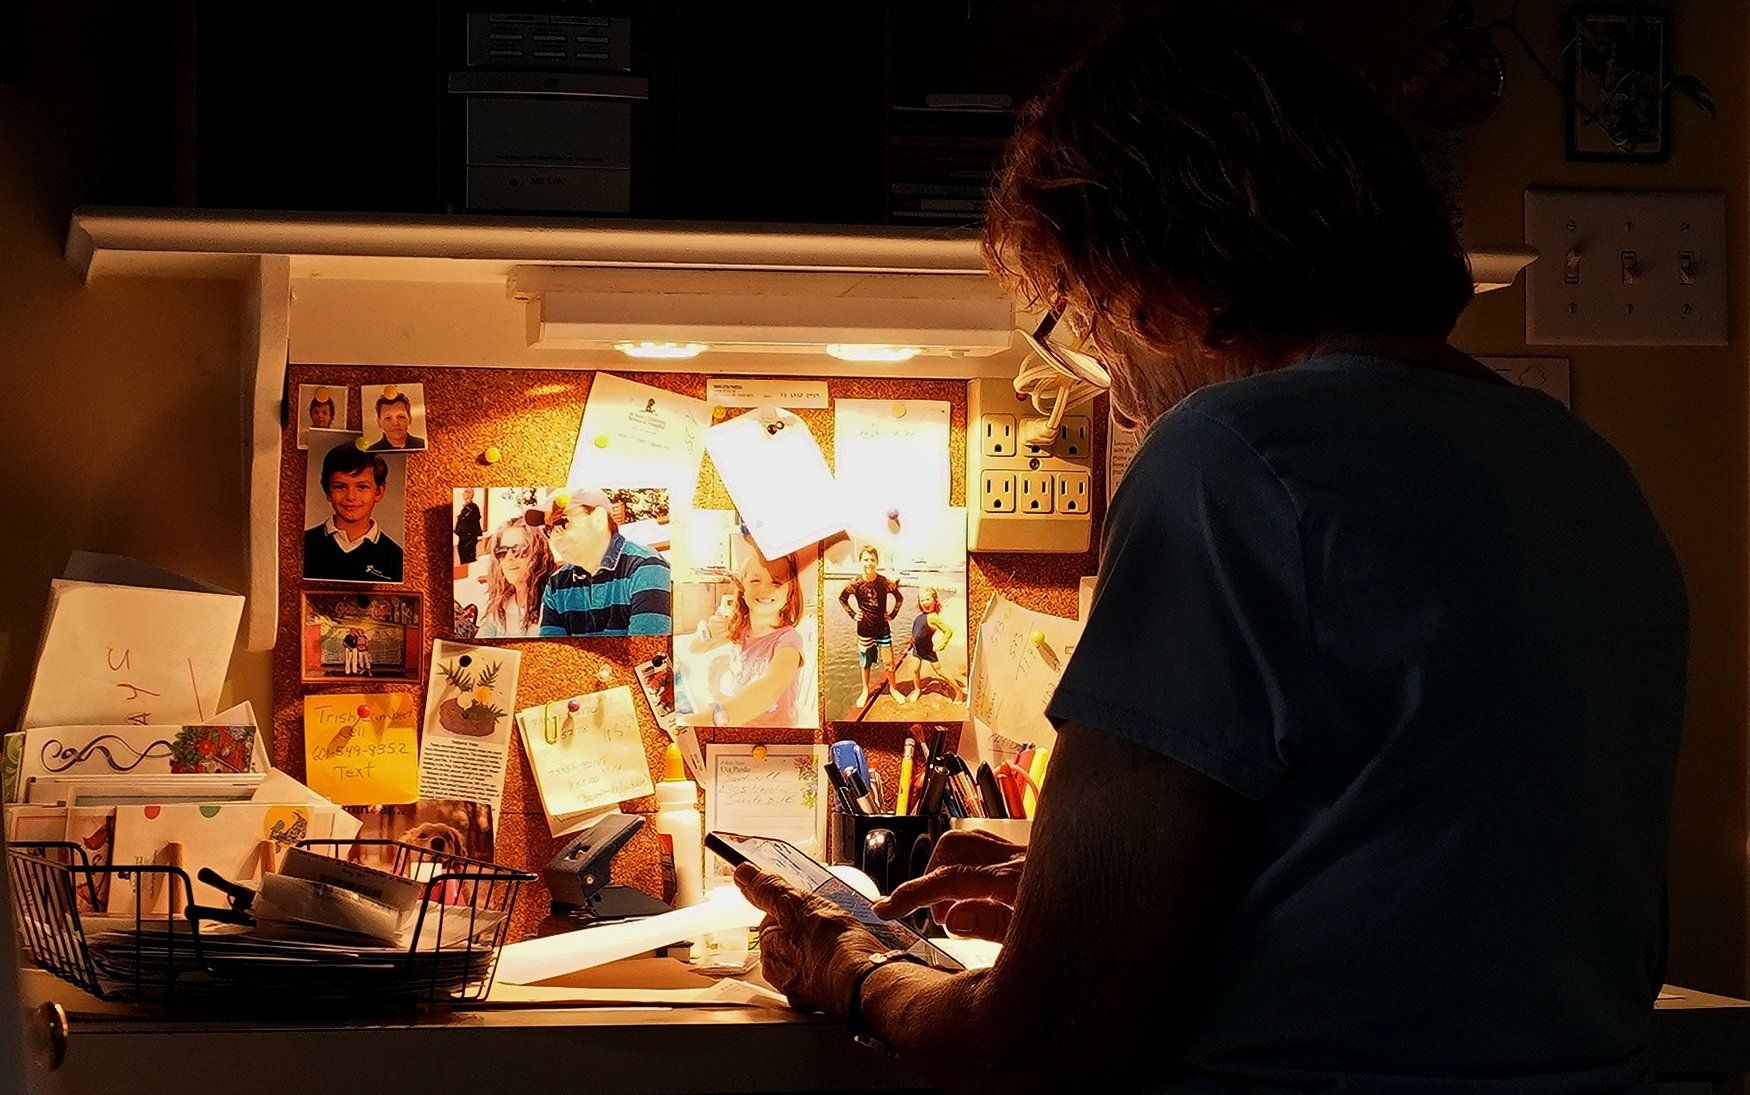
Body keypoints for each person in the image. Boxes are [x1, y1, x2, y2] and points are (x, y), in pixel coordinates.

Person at [735, 7, 1687, 1093]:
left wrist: (854, 968)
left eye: (1079, 317)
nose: (1119, 390)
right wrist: (1123, 896)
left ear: (1140, 273)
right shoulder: (1581, 469)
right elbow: (1472, 901)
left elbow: (1042, 1040)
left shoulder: (1233, 453)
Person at [680, 546, 808, 728]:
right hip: (739, 721)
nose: (765, 589)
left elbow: (771, 686)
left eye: (777, 582)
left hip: (774, 731)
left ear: (790, 593)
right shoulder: (740, 627)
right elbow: (695, 649)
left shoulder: (789, 640)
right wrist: (709, 633)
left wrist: (712, 718)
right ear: (742, 589)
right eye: (755, 580)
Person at [539, 488, 671, 637]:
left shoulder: (646, 567)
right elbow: (551, 650)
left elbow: (646, 650)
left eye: (562, 523)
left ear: (599, 519)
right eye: (548, 529)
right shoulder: (557, 584)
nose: (554, 537)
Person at [304, 443, 404, 583]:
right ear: (327, 492)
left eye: (362, 487)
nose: (350, 496)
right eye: (340, 487)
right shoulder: (304, 544)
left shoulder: (396, 558)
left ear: (378, 492)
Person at [837, 546, 904, 708]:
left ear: (877, 562)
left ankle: (893, 688)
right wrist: (853, 614)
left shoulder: (884, 582)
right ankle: (865, 690)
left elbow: (899, 598)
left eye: (872, 560)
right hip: (864, 630)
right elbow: (842, 598)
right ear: (860, 561)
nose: (869, 563)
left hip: (883, 629)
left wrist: (892, 614)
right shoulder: (855, 583)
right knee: (865, 662)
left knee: (889, 662)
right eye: (866, 559)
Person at [478, 513, 556, 639]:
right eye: (502, 551)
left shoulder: (553, 606)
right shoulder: (500, 606)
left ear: (538, 555)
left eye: (519, 550)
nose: (509, 557)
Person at [904, 589, 965, 705]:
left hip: (927, 649)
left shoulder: (933, 617)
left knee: (939, 670)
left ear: (934, 601)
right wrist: (911, 640)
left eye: (928, 599)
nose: (925, 602)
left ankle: (959, 691)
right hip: (917, 647)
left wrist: (941, 644)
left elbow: (948, 631)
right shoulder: (921, 616)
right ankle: (917, 690)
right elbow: (918, 630)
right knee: (915, 669)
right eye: (922, 600)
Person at [454, 488, 484, 566]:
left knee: (468, 557)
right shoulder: (466, 507)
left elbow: (468, 520)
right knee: (463, 556)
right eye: (464, 492)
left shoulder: (472, 507)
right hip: (464, 536)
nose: (463, 494)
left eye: (466, 492)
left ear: (470, 495)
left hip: (469, 536)